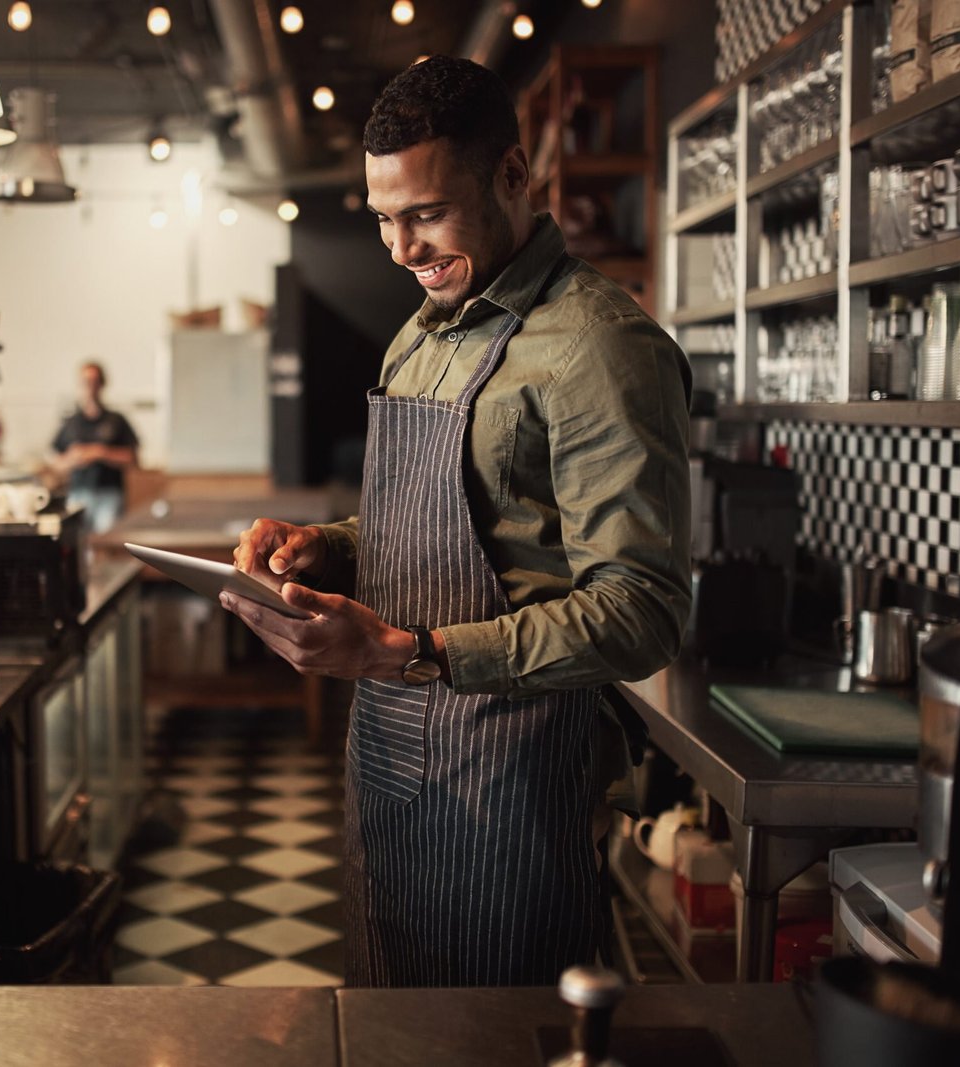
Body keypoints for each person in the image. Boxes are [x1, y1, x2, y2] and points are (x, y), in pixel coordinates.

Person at [223, 55, 692, 988]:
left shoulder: (600, 347)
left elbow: (643, 611)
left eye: (427, 213)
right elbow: (438, 518)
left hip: (507, 787)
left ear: (514, 177)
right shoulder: (423, 331)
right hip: (390, 762)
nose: (401, 248)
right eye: (383, 219)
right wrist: (331, 548)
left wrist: (415, 651)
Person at [52, 360, 139, 534]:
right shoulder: (71, 423)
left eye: (95, 381)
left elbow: (133, 458)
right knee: (77, 546)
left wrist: (101, 452)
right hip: (78, 495)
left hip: (109, 495)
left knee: (105, 544)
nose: (90, 387)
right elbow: (56, 463)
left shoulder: (116, 421)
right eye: (86, 382)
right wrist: (74, 458)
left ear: (102, 384)